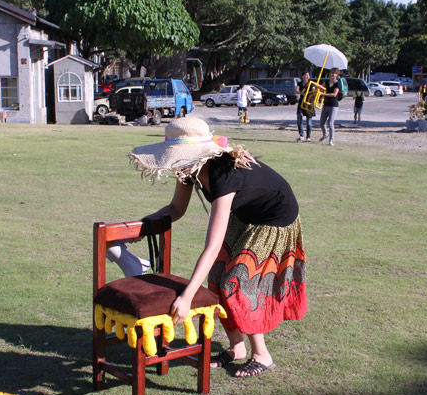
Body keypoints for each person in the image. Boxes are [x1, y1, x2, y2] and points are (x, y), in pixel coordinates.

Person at [128, 118, 307, 378]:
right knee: (217, 278)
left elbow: (212, 247)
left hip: (274, 219)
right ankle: (237, 348)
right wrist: (143, 226)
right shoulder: (189, 169)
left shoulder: (224, 173)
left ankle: (262, 355)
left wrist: (187, 296)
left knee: (238, 283)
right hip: (246, 214)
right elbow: (176, 210)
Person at [318, 68, 341, 146]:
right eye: (331, 73)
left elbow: (334, 94)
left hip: (333, 105)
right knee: (321, 123)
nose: (332, 74)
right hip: (326, 104)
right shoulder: (327, 82)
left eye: (334, 73)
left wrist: (323, 94)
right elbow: (321, 87)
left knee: (330, 123)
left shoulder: (337, 83)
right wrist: (317, 87)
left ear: (337, 75)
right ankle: (325, 134)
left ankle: (331, 140)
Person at [295, 71, 313, 142]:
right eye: (305, 75)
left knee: (309, 122)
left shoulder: (311, 84)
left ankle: (308, 136)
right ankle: (301, 135)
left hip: (309, 103)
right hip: (301, 103)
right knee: (299, 119)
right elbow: (296, 91)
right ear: (302, 76)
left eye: (307, 75)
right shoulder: (299, 83)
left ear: (309, 77)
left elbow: (314, 90)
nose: (306, 77)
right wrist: (301, 92)